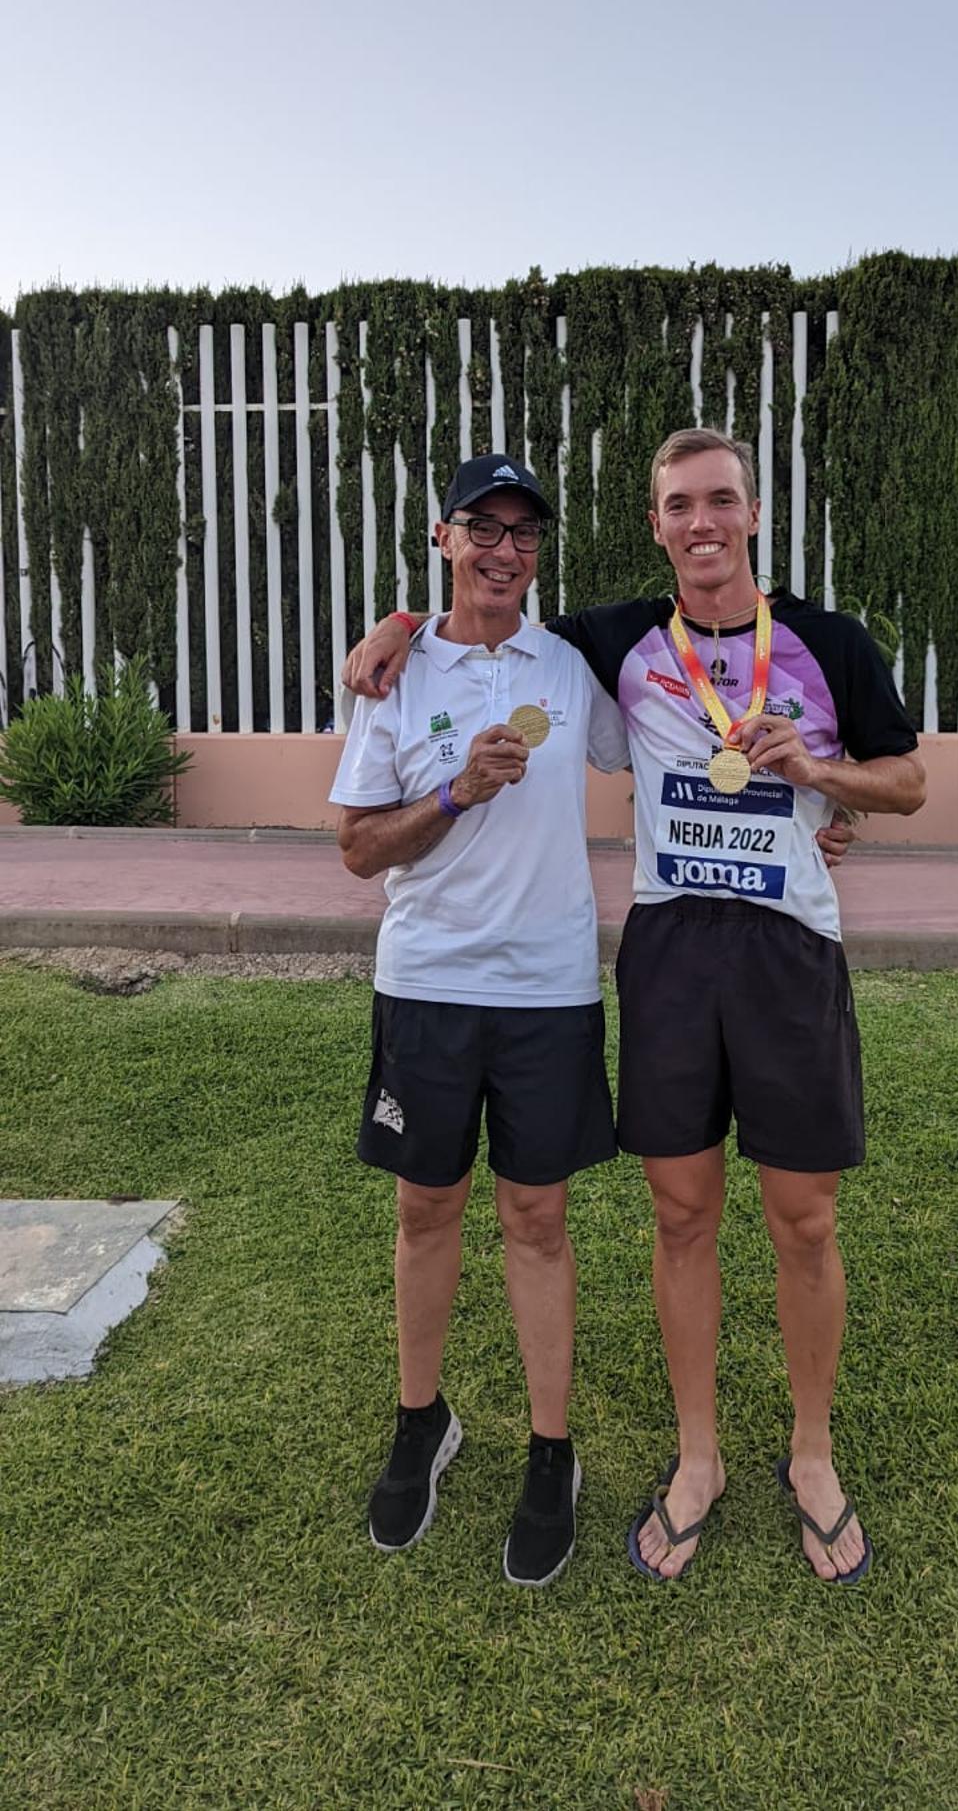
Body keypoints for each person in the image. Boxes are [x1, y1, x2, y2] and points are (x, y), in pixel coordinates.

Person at [344, 428, 923, 1585]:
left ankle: (812, 1453)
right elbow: (480, 617)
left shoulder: (825, 642)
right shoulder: (612, 643)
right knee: (680, 1216)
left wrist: (820, 777)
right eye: (678, 506)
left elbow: (905, 780)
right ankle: (696, 1456)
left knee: (805, 1220)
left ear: (752, 514)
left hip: (790, 954)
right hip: (667, 955)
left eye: (720, 501)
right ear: (656, 526)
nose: (701, 523)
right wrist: (398, 625)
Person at [330, 452, 630, 1587]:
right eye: (483, 528)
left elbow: (664, 732)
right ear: (444, 538)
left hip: (549, 987)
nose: (506, 549)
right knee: (425, 1206)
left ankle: (552, 1451)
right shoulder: (393, 679)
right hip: (428, 983)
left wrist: (810, 804)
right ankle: (423, 1421)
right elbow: (357, 849)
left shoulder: (570, 669)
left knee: (539, 1216)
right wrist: (454, 793)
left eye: (525, 532)